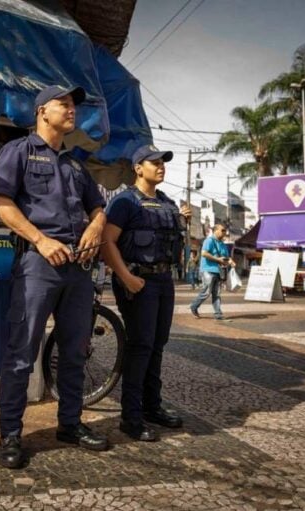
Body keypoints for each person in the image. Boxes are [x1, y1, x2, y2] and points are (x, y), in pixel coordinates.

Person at [0, 84, 109, 469]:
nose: (71, 109)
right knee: (21, 353)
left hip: (78, 268)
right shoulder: (19, 151)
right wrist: (40, 241)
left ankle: (70, 424)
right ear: (42, 111)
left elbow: (98, 209)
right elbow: (0, 203)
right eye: (64, 104)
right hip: (39, 264)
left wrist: (95, 227)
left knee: (75, 350)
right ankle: (10, 434)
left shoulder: (75, 164)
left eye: (74, 104)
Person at [101, 144, 191, 442]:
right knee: (140, 347)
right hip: (137, 281)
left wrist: (184, 221)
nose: (161, 166)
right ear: (138, 168)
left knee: (157, 345)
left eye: (163, 161)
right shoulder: (125, 202)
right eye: (154, 162)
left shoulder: (167, 203)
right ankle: (131, 417)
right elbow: (107, 243)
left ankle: (152, 407)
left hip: (163, 281)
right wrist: (126, 278)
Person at [189, 224, 235, 320]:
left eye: (225, 230)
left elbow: (226, 257)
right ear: (215, 231)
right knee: (206, 292)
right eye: (222, 230)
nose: (224, 232)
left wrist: (230, 261)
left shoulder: (223, 244)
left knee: (217, 293)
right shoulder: (209, 241)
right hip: (208, 270)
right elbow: (204, 253)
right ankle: (194, 306)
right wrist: (218, 260)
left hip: (219, 271)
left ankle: (218, 314)